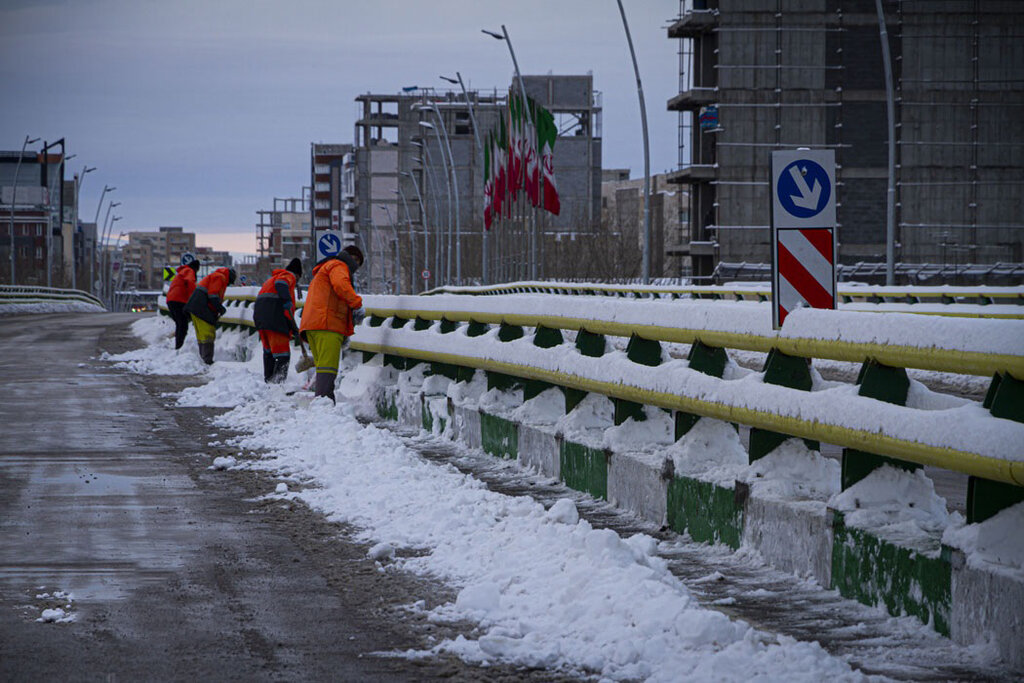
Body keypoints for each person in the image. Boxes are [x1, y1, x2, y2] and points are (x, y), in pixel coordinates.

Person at [299, 245, 365, 402]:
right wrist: (357, 304)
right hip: (327, 324)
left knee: (323, 368)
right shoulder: (338, 266)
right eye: (355, 261)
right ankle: (324, 404)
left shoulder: (326, 268)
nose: (355, 266)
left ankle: (322, 404)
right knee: (328, 369)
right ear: (349, 257)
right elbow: (341, 285)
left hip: (314, 324)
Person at [253, 258, 302, 383]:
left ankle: (268, 382)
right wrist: (287, 300)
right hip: (274, 319)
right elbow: (282, 284)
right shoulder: (288, 275)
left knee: (268, 353)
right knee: (283, 355)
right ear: (297, 274)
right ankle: (277, 385)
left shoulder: (271, 280)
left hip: (261, 319)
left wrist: (292, 328)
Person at [184, 266, 236, 365]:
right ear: (230, 277)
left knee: (201, 335)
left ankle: (202, 360)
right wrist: (220, 308)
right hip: (201, 308)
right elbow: (213, 295)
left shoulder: (214, 276)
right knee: (208, 334)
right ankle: (207, 360)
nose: (228, 285)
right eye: (229, 283)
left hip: (195, 307)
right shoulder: (220, 277)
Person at [165, 258, 201, 350]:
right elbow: (190, 282)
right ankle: (179, 347)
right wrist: (194, 297)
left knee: (180, 323)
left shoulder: (182, 272)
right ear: (196, 268)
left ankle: (178, 346)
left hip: (171, 300)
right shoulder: (189, 271)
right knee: (183, 325)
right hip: (179, 300)